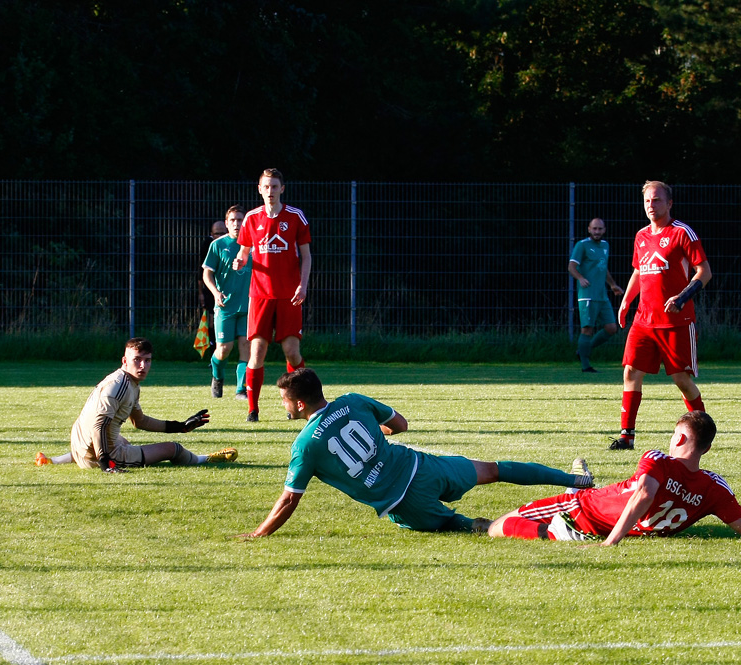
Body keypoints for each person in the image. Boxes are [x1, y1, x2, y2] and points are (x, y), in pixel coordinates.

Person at [236, 368, 595, 538]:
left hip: (403, 505)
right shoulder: (353, 401)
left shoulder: (305, 445)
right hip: (424, 468)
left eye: (283, 400)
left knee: (461, 524)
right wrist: (377, 434)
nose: (282, 404)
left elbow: (288, 500)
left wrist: (258, 534)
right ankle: (576, 480)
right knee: (496, 469)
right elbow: (401, 425)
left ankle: (527, 530)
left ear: (299, 403)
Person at [489, 411, 741, 543]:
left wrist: (611, 542)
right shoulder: (715, 487)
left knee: (495, 527)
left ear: (679, 438)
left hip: (584, 510)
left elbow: (643, 495)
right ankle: (577, 483)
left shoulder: (658, 460)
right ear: (707, 448)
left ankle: (568, 503)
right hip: (599, 506)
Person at [610, 181, 712, 450]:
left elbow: (705, 272)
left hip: (676, 322)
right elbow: (638, 271)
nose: (651, 205)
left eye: (656, 200)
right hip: (644, 320)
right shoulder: (641, 235)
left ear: (669, 203)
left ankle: (703, 433)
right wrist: (626, 302)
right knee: (631, 372)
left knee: (681, 380)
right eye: (647, 201)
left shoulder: (682, 233)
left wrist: (683, 297)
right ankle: (626, 437)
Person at [35, 338, 238, 471]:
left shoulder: (127, 382)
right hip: (98, 454)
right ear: (125, 360)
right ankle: (206, 459)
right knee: (173, 450)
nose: (143, 366)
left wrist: (181, 426)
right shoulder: (119, 386)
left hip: (80, 445)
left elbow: (139, 421)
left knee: (122, 440)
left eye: (147, 360)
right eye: (137, 360)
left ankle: (53, 460)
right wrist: (107, 463)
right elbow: (99, 425)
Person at [232, 168, 311, 422]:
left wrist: (303, 284)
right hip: (260, 295)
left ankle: (299, 404)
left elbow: (306, 255)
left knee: (291, 350)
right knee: (257, 352)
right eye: (266, 187)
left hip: (289, 294)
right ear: (259, 189)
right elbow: (244, 251)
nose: (270, 191)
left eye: (274, 187)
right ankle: (252, 410)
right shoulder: (252, 218)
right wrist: (239, 260)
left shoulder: (296, 216)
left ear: (282, 189)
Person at [203, 205, 251, 400]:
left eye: (240, 220)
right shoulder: (218, 245)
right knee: (223, 349)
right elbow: (207, 273)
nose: (237, 224)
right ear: (226, 223)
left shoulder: (253, 245)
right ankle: (217, 376)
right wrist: (215, 292)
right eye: (233, 220)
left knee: (246, 346)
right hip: (225, 306)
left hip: (248, 306)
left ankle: (241, 389)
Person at [568, 218, 624, 373]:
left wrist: (612, 285)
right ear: (589, 229)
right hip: (587, 295)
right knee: (587, 329)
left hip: (602, 295)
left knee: (611, 328)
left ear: (604, 230)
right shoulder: (582, 245)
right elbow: (571, 266)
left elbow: (603, 268)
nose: (597, 232)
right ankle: (586, 366)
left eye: (600, 229)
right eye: (594, 229)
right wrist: (580, 278)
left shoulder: (605, 246)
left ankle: (583, 350)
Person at [198, 219, 228, 316]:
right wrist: (201, 293)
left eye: (222, 233)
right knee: (211, 316)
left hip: (228, 287)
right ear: (212, 234)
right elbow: (202, 271)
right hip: (211, 288)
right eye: (216, 234)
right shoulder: (208, 245)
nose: (219, 237)